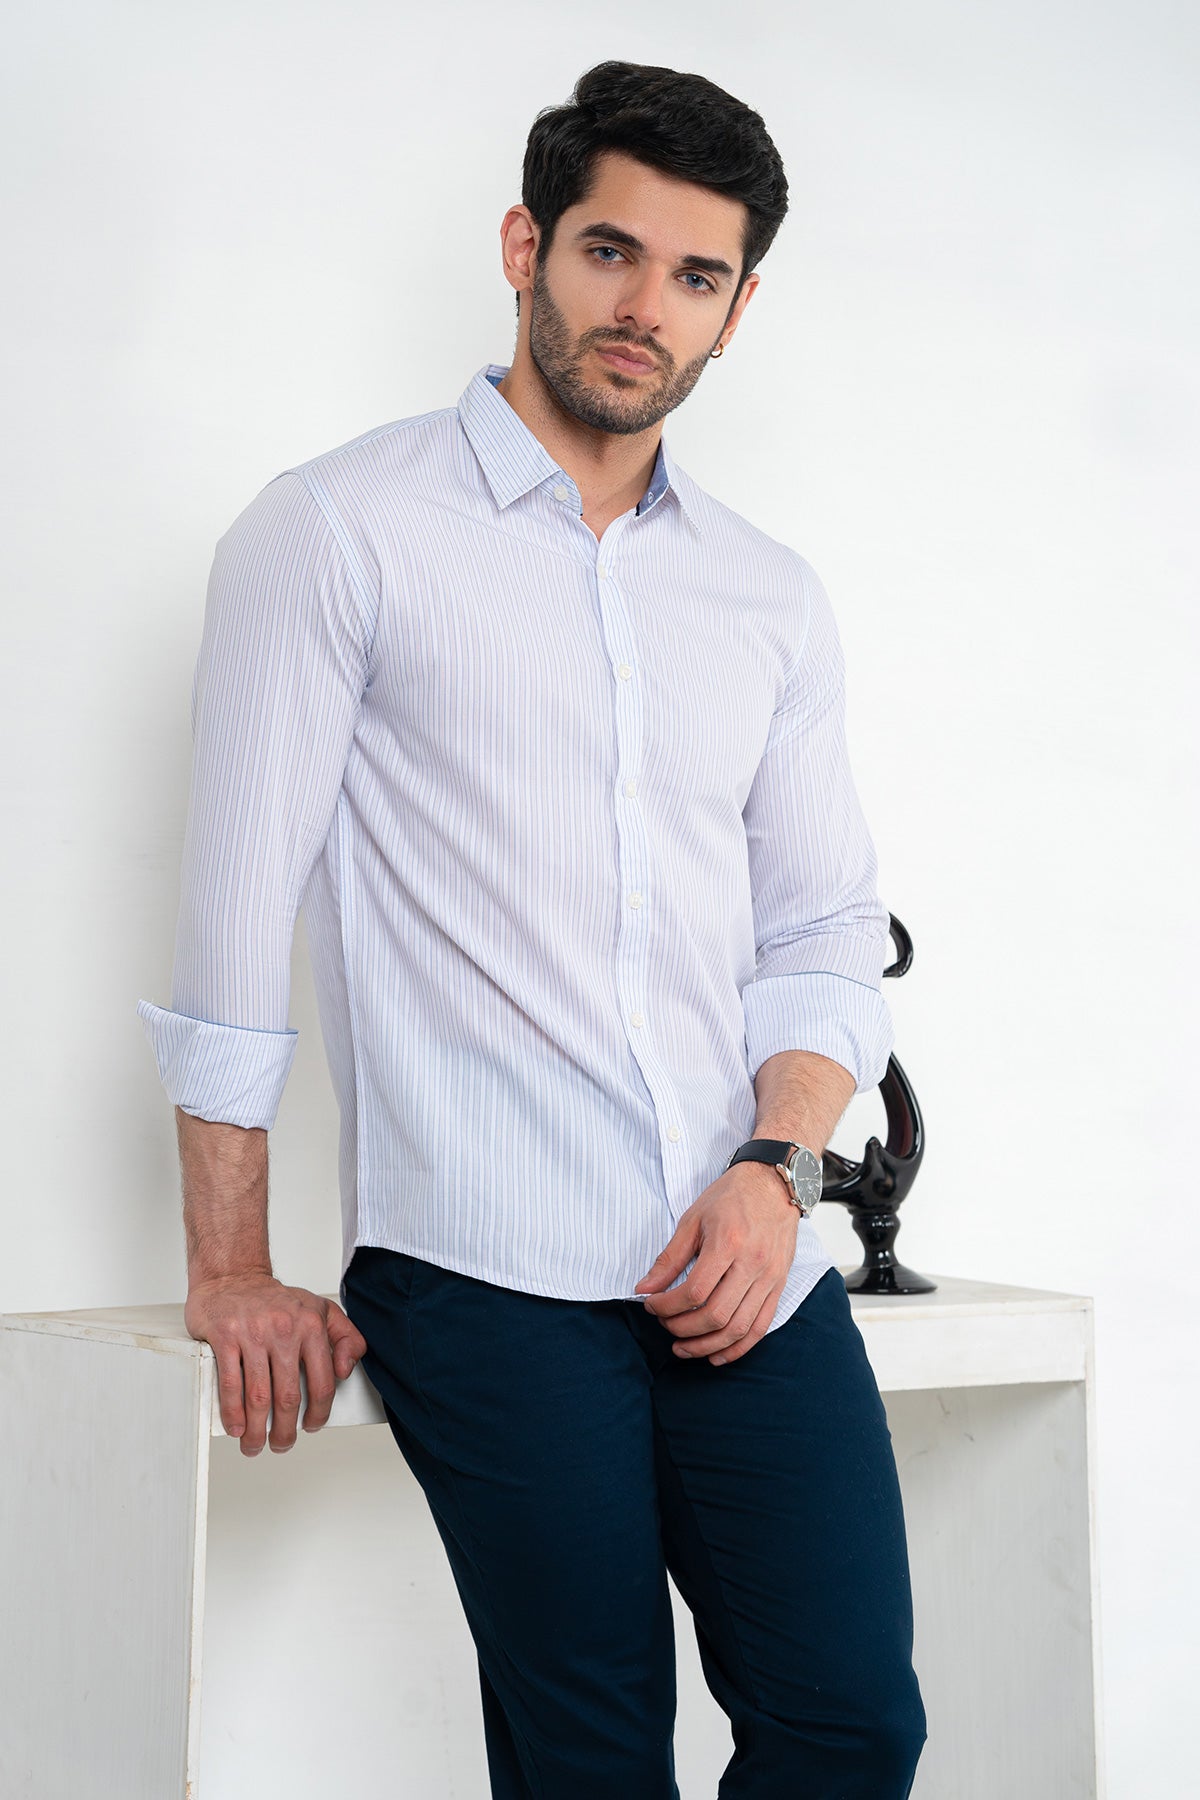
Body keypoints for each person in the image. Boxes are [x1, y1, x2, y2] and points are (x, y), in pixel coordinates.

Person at [137, 58, 927, 1800]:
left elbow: (822, 926)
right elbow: (232, 926)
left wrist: (778, 1167)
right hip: (484, 1266)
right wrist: (230, 1266)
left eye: (697, 275)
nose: (645, 308)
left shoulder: (767, 597)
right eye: (610, 252)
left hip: (744, 1251)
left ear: (737, 309)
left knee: (854, 1724)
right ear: (526, 247)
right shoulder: (335, 532)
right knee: (590, 1759)